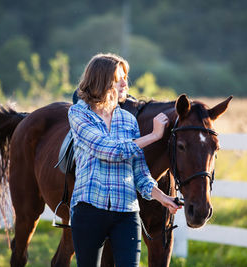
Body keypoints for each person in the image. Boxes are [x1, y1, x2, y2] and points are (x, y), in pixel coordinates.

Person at [68, 53, 180, 267]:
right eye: (118, 77)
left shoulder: (128, 120)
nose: (124, 83)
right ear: (101, 80)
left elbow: (139, 170)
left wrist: (161, 196)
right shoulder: (79, 114)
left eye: (125, 77)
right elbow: (108, 150)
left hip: (126, 212)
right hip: (89, 209)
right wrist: (154, 136)